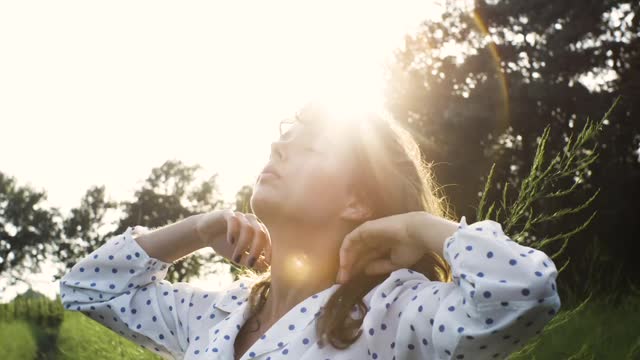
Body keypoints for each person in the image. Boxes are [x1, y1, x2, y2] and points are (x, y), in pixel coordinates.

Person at [59, 104, 561, 359]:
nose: (277, 151)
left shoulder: (392, 313)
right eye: (282, 143)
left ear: (357, 199)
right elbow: (88, 286)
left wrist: (418, 226)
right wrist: (198, 227)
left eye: (308, 149)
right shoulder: (215, 314)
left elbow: (523, 292)